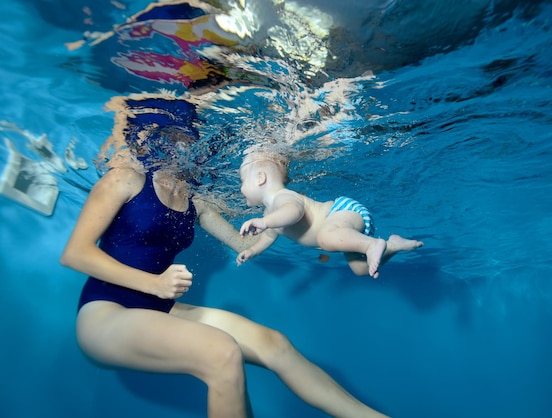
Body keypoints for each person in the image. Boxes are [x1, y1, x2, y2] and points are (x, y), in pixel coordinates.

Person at [60, 94, 389, 418]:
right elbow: (75, 254)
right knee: (221, 352)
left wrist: (319, 225)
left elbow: (248, 244)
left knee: (274, 344)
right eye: (176, 137)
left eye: (191, 141)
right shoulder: (125, 176)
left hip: (160, 309)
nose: (184, 146)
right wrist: (155, 283)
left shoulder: (196, 203)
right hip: (104, 314)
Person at [237, 150, 424, 279]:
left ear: (260, 178)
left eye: (242, 180)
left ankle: (373, 244)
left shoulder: (282, 197)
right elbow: (269, 236)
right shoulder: (269, 215)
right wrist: (252, 251)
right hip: (344, 235)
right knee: (360, 269)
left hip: (343, 212)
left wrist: (264, 222)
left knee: (326, 238)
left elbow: (294, 212)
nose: (240, 187)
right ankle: (393, 245)